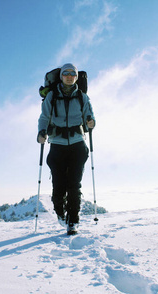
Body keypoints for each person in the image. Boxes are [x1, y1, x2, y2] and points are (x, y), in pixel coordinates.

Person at [37, 63, 95, 235]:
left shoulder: (82, 97)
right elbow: (44, 116)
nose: (70, 76)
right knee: (58, 187)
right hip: (57, 145)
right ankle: (61, 213)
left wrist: (91, 123)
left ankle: (73, 221)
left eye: (73, 74)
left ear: (76, 77)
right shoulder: (52, 96)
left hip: (78, 144)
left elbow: (90, 117)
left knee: (74, 185)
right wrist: (41, 132)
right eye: (66, 73)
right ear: (61, 76)